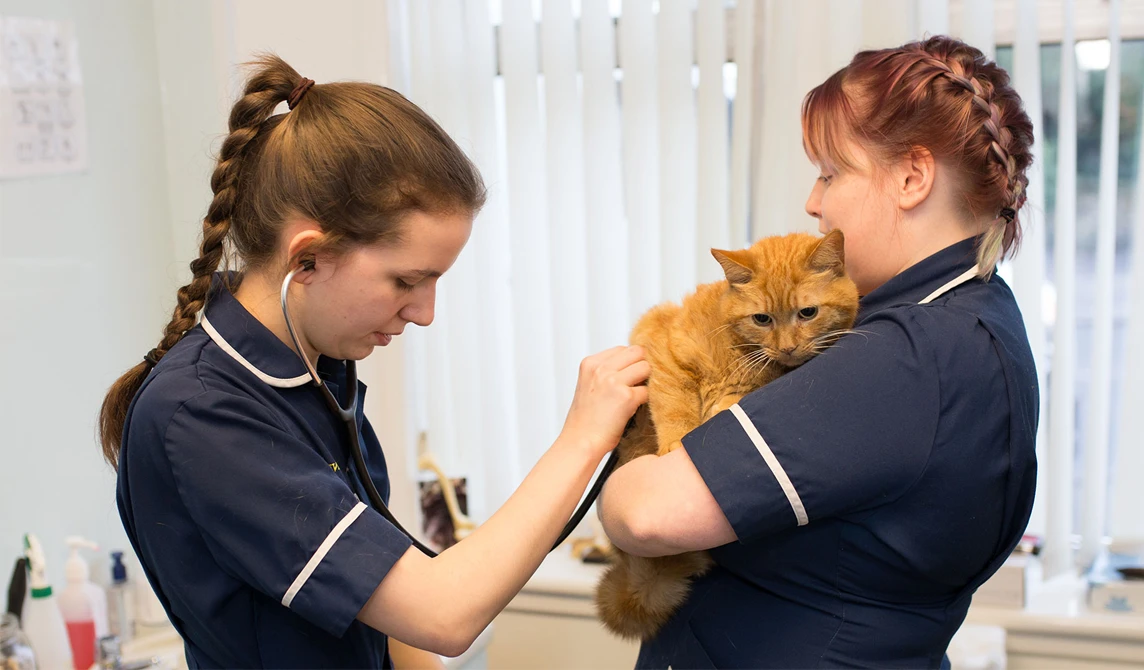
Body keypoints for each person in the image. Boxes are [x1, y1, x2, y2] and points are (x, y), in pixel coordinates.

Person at [98, 55, 649, 669]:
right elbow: (442, 612)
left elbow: (384, 601)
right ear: (307, 257)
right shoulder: (202, 416)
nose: (424, 313)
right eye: (407, 280)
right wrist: (582, 439)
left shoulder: (314, 372)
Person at [599, 35, 1038, 669]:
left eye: (830, 173)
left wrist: (614, 456)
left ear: (912, 177)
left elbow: (645, 515)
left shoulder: (910, 353)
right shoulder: (976, 317)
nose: (813, 201)